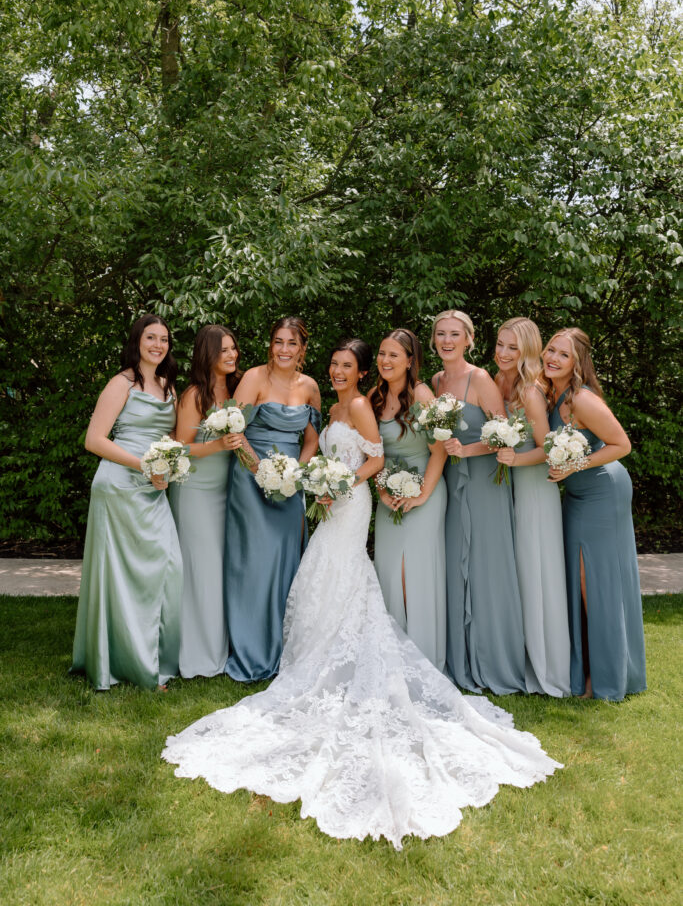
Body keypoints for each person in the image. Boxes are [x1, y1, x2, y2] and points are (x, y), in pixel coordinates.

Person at [163, 337, 561, 850]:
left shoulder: (359, 406)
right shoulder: (337, 405)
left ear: (362, 369)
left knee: (341, 569)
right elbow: (334, 448)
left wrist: (340, 482)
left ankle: (342, 655)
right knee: (322, 574)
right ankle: (318, 653)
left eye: (346, 365)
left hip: (350, 504)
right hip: (337, 501)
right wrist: (322, 480)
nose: (337, 371)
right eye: (333, 364)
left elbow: (374, 458)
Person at [72, 314, 182, 690]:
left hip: (154, 488)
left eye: (164, 339)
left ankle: (153, 655)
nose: (157, 344)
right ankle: (125, 664)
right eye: (150, 337)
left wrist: (166, 467)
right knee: (120, 577)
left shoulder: (169, 387)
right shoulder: (121, 383)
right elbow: (95, 440)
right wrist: (143, 464)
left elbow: (170, 439)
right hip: (118, 484)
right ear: (137, 341)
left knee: (166, 570)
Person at [544, 328, 646, 701]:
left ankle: (603, 680)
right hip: (577, 494)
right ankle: (589, 669)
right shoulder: (551, 393)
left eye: (563, 355)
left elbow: (622, 444)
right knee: (580, 581)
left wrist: (575, 465)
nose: (553, 358)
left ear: (578, 363)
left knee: (595, 584)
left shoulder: (582, 399)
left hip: (603, 491)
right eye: (551, 350)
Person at [220, 316, 321, 682]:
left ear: (303, 348)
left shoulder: (309, 387)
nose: (283, 349)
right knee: (255, 566)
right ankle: (250, 649)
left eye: (291, 343)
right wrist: (262, 471)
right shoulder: (253, 378)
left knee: (286, 566)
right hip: (251, 481)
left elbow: (312, 438)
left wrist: (295, 473)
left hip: (291, 487)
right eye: (278, 341)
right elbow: (235, 432)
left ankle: (286, 649)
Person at [433, 309, 526, 694]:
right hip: (452, 485)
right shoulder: (436, 381)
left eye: (455, 334)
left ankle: (494, 661)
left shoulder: (480, 378)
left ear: (469, 339)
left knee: (487, 568)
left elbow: (505, 435)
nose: (447, 340)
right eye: (441, 334)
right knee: (456, 566)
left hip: (486, 482)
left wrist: (468, 451)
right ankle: (461, 659)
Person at [494, 318, 570, 697]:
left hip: (535, 491)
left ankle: (547, 667)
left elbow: (549, 449)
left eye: (513, 348)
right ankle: (520, 657)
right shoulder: (496, 382)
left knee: (537, 574)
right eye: (500, 344)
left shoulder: (531, 391)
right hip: (508, 491)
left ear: (526, 352)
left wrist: (515, 461)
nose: (504, 353)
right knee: (519, 576)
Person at [370, 329, 448, 672]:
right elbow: (371, 453)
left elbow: (440, 449)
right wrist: (382, 490)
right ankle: (391, 660)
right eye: (382, 353)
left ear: (410, 361)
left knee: (412, 573)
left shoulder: (422, 395)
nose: (386, 361)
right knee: (388, 572)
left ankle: (423, 661)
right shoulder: (373, 396)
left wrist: (421, 495)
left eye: (394, 355)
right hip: (388, 493)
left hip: (425, 490)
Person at [169, 325, 241, 679]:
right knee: (201, 569)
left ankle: (222, 647)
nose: (231, 355)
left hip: (228, 491)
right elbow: (180, 447)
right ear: (206, 353)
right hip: (195, 490)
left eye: (233, 349)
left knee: (222, 568)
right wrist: (216, 445)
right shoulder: (193, 395)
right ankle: (195, 654)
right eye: (223, 350)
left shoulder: (238, 390)